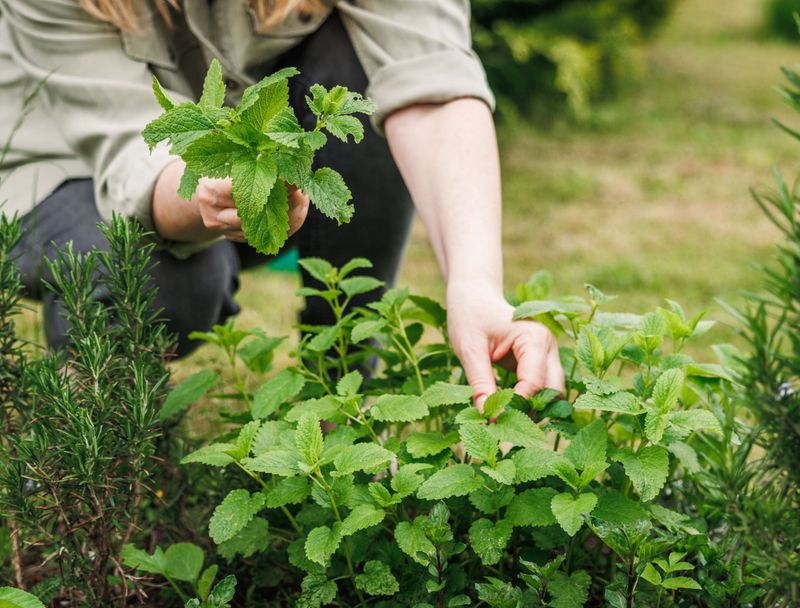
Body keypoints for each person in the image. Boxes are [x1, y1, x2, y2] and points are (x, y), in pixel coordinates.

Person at [0, 0, 564, 407]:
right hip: (53, 170)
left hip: (253, 172)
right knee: (161, 284)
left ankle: (341, 386)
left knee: (358, 85)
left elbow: (429, 77)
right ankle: (95, 450)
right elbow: (130, 149)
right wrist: (217, 193)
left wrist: (476, 286)